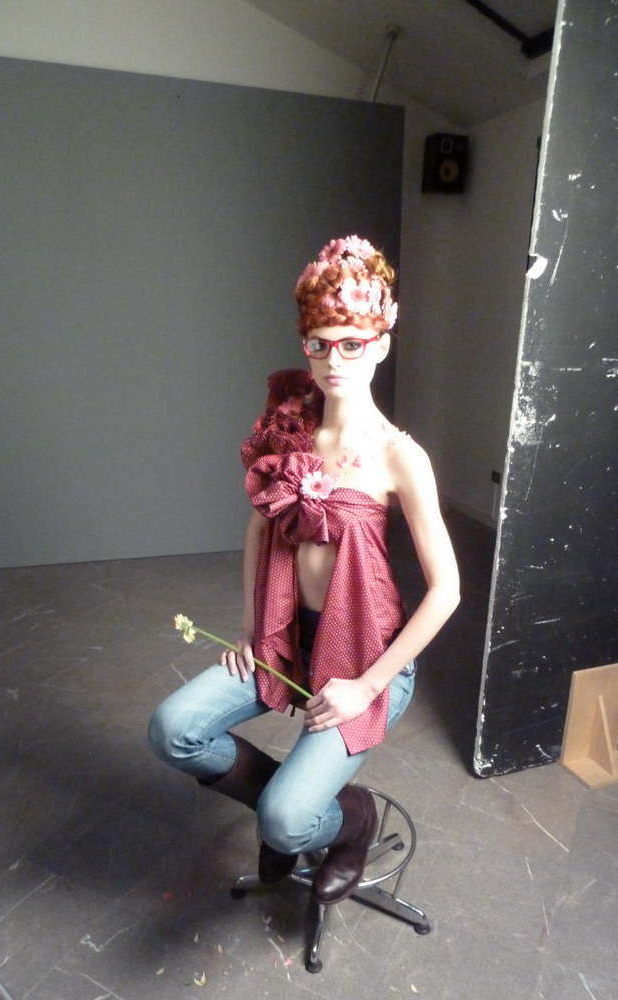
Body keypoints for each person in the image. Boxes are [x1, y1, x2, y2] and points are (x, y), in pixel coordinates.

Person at [148, 235, 460, 905]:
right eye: (320, 344)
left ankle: (348, 821)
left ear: (380, 344)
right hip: (287, 635)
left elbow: (447, 590)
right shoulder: (290, 429)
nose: (334, 360)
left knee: (288, 819)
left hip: (365, 655)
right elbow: (260, 527)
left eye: (351, 343)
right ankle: (287, 810)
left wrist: (367, 686)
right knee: (174, 730)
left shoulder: (400, 457)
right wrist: (251, 629)